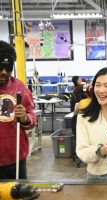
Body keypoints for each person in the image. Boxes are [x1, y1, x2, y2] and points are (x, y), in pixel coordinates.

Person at [0, 40, 36, 179]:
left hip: (15, 158)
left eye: (8, 68)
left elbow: (31, 116)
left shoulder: (19, 87)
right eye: (0, 67)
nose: (4, 72)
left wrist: (25, 118)